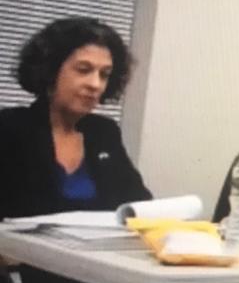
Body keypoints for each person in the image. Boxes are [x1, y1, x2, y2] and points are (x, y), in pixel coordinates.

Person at [0, 17, 152, 219]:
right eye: (83, 70)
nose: (95, 84)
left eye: (105, 74)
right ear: (51, 71)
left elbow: (138, 203)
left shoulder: (104, 132)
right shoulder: (10, 127)